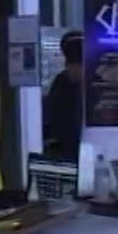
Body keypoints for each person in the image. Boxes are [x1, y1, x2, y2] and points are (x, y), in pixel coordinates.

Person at [43, 30, 84, 159]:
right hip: (65, 153)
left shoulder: (97, 87)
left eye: (77, 64)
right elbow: (51, 118)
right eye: (69, 63)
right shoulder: (62, 82)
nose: (71, 70)